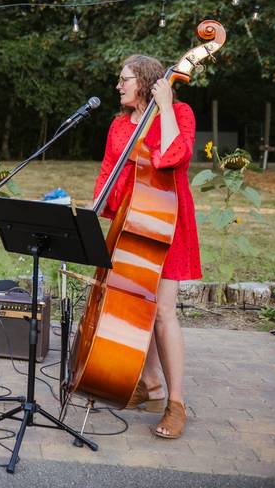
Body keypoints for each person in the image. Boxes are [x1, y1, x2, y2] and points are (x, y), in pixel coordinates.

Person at [93, 54, 200, 439]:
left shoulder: (179, 112)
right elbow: (108, 171)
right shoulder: (120, 126)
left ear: (147, 80)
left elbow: (174, 158)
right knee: (138, 306)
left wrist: (167, 105)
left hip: (166, 224)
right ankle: (151, 385)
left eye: (125, 80)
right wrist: (97, 213)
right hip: (128, 224)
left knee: (164, 312)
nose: (118, 86)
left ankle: (176, 402)